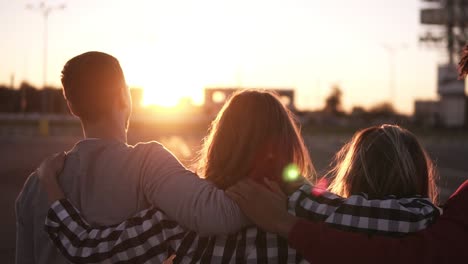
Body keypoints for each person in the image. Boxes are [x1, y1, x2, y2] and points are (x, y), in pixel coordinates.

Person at [38, 91, 440, 263]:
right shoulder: (318, 222)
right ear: (288, 142)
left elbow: (90, 251)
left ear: (220, 141)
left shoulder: (184, 212)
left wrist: (54, 190)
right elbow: (422, 217)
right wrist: (295, 201)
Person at [15, 52, 249, 264]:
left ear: (71, 107)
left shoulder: (34, 187)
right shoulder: (147, 162)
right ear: (123, 97)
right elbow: (216, 214)